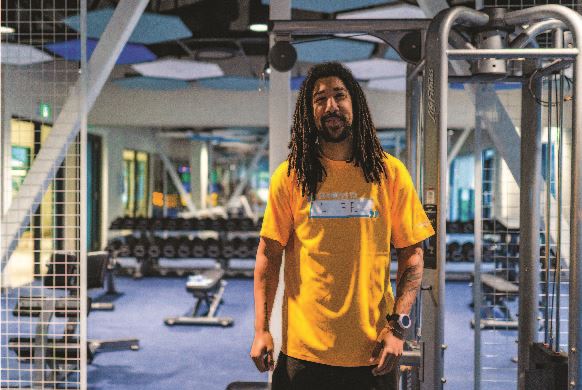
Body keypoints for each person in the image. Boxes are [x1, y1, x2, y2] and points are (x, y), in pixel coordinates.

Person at [250, 62, 435, 390]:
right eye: (320, 99)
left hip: (372, 352)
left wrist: (397, 330)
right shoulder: (291, 176)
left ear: (356, 104)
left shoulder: (389, 173)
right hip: (303, 354)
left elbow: (413, 254)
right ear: (310, 112)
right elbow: (268, 254)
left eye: (339, 95)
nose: (331, 106)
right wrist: (261, 329)